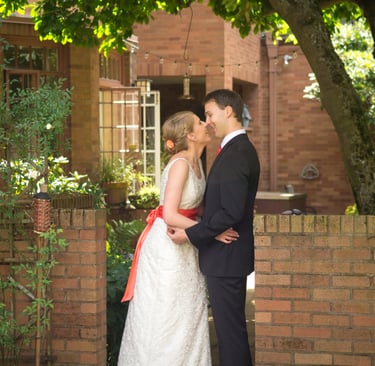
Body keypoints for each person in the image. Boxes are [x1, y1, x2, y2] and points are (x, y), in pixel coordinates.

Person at [117, 111, 237, 366]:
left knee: (187, 312)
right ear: (191, 135)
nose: (207, 125)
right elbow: (170, 214)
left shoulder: (198, 162)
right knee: (166, 314)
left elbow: (195, 207)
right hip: (167, 247)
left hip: (186, 242)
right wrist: (213, 232)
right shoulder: (180, 164)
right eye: (200, 122)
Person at [168, 89, 260, 366]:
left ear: (228, 111)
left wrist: (190, 233)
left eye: (210, 114)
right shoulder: (234, 150)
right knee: (230, 331)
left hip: (227, 255)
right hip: (226, 256)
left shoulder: (237, 152)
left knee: (230, 334)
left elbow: (230, 211)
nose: (208, 121)